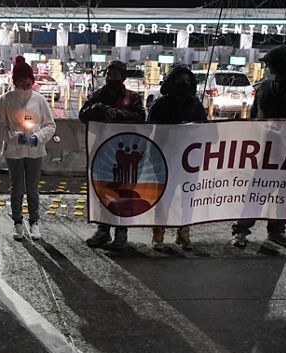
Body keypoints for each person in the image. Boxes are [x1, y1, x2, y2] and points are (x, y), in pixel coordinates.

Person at [231, 45, 286, 249]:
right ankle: (241, 230)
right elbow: (254, 116)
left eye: (269, 63)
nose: (267, 67)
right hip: (264, 150)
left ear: (279, 64)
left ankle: (277, 231)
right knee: (256, 189)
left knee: (284, 192)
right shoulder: (264, 87)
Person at [80, 60, 146, 251]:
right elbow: (82, 115)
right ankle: (103, 229)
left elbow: (140, 117)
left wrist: (116, 113)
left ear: (123, 77)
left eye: (115, 75)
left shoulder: (133, 97)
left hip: (125, 150)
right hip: (102, 152)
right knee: (104, 190)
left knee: (125, 190)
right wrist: (96, 108)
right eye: (109, 75)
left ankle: (121, 231)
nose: (111, 78)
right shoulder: (97, 96)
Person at [0, 56, 57, 241]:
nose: (25, 81)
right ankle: (17, 222)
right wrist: (14, 136)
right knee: (16, 187)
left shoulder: (40, 100)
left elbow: (50, 125)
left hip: (35, 151)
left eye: (28, 78)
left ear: (32, 79)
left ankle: (34, 222)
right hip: (14, 151)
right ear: (15, 80)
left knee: (33, 187)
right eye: (21, 78)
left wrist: (37, 137)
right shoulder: (6, 100)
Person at [146, 65, 207, 251]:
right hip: (165, 158)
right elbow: (149, 128)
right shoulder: (160, 104)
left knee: (188, 199)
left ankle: (184, 233)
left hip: (189, 161)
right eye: (180, 80)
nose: (184, 84)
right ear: (172, 82)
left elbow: (206, 130)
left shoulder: (195, 104)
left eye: (188, 81)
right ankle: (158, 235)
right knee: (164, 199)